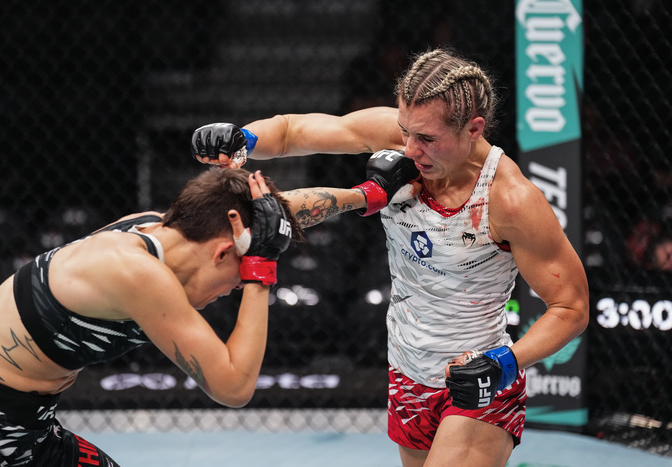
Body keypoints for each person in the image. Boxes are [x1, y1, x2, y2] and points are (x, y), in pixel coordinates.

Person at [191, 47, 590, 467]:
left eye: (427, 139)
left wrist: (504, 363)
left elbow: (571, 307)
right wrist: (244, 139)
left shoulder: (510, 200)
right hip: (406, 371)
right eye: (405, 132)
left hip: (478, 380)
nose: (410, 149)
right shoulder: (402, 139)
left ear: (474, 128)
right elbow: (293, 131)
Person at [0, 167, 303, 466]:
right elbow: (233, 387)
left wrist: (346, 184)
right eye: (242, 270)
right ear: (223, 251)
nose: (239, 284)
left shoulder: (153, 227)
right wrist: (261, 268)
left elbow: (282, 211)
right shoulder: (137, 272)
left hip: (24, 425)